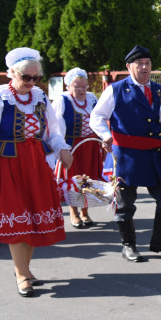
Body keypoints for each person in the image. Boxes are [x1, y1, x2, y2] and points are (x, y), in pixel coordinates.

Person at [0, 48, 72, 297]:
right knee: (18, 219)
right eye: (26, 77)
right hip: (7, 165)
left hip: (35, 164)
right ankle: (21, 274)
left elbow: (52, 130)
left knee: (32, 219)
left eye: (35, 78)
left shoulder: (40, 98)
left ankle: (25, 270)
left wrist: (62, 148)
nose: (31, 83)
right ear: (11, 74)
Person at [90, 45, 161, 262]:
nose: (144, 67)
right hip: (127, 155)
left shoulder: (159, 91)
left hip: (154, 154)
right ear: (129, 67)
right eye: (139, 64)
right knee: (125, 203)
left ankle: (159, 242)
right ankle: (128, 246)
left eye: (148, 63)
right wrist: (106, 135)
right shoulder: (116, 89)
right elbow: (96, 117)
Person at [50, 68, 102, 229]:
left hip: (90, 146)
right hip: (72, 147)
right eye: (76, 86)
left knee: (89, 179)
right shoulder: (62, 101)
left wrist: (101, 139)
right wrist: (61, 149)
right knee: (73, 179)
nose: (81, 90)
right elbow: (56, 128)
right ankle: (73, 213)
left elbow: (100, 119)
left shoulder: (92, 99)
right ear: (68, 87)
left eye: (84, 86)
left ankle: (85, 211)